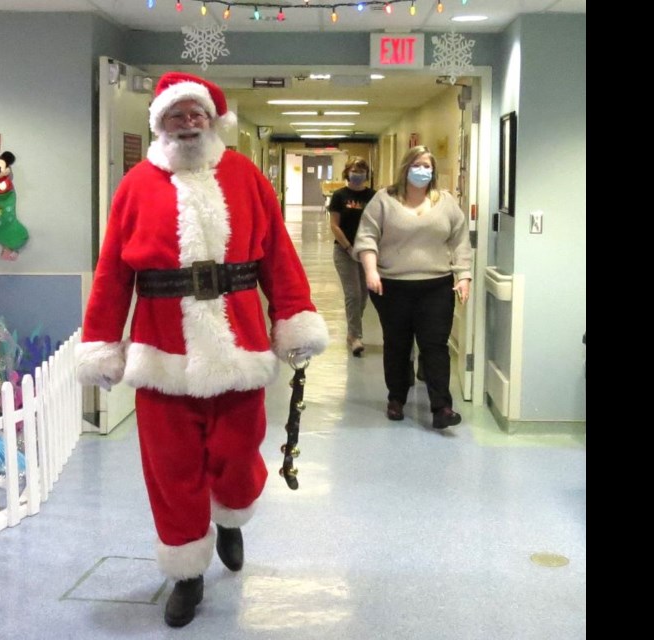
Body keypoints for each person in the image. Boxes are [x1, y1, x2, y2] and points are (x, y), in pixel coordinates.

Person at [75, 72, 329, 628]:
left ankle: (230, 518)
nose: (187, 124)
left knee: (237, 458)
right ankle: (187, 574)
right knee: (171, 471)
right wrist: (102, 342)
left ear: (212, 120)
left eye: (196, 114)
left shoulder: (246, 177)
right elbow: (113, 273)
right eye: (176, 116)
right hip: (162, 354)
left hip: (239, 347)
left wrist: (293, 318)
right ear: (159, 123)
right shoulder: (136, 186)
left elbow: (279, 257)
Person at [353, 145, 472, 430]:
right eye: (417, 165)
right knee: (397, 344)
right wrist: (371, 271)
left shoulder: (445, 202)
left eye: (428, 166)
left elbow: (460, 241)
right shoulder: (384, 200)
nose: (423, 171)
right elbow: (367, 237)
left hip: (436, 286)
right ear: (406, 168)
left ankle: (441, 407)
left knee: (435, 346)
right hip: (393, 286)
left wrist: (464, 276)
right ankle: (396, 399)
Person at [327, 156, 376, 357]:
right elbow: (334, 225)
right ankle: (355, 336)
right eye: (354, 170)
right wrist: (348, 247)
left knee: (363, 296)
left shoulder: (373, 196)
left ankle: (351, 330)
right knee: (353, 294)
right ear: (347, 173)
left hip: (366, 252)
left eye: (361, 170)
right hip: (344, 251)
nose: (358, 174)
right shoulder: (340, 196)